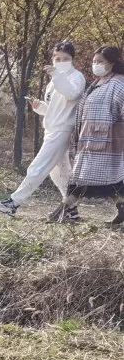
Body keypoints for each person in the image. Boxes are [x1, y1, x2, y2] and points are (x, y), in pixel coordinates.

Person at [0, 40, 84, 217]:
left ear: (72, 59)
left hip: (63, 130)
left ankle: (14, 202)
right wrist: (38, 106)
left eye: (65, 58)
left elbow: (72, 94)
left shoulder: (76, 77)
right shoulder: (53, 81)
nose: (61, 61)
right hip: (52, 129)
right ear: (52, 58)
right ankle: (71, 209)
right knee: (60, 173)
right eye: (57, 58)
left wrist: (57, 75)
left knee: (37, 167)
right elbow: (53, 109)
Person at [49, 44, 124, 225]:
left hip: (108, 142)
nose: (95, 64)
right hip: (89, 141)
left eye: (100, 62)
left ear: (112, 63)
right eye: (94, 61)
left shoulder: (119, 84)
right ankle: (122, 208)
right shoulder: (97, 83)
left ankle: (64, 210)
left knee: (85, 180)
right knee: (108, 182)